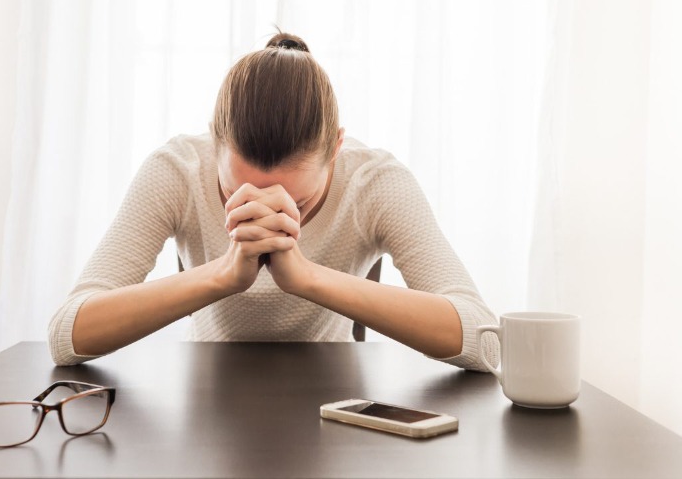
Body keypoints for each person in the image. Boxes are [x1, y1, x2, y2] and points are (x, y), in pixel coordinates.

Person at [48, 31, 499, 371]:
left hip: (333, 412)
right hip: (204, 409)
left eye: (296, 204)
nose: (269, 220)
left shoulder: (373, 182)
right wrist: (223, 274)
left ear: (337, 149)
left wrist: (307, 277)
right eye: (237, 195)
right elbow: (67, 335)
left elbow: (485, 341)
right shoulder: (178, 170)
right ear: (213, 140)